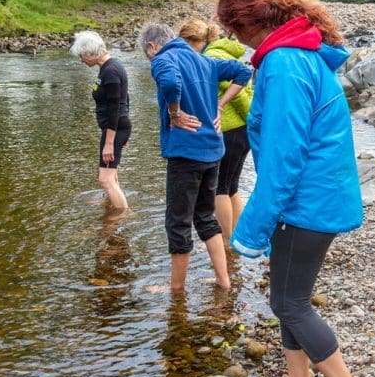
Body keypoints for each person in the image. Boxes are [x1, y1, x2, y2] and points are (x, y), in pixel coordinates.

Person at [217, 0, 375, 377]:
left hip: (306, 202)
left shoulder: (284, 63)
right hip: (315, 196)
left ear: (240, 24)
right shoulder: (297, 53)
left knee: (290, 303)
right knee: (287, 298)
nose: (230, 36)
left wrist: (251, 229)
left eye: (229, 28)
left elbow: (284, 159)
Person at [137, 22, 252, 293]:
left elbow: (169, 82)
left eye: (147, 55)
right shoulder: (204, 60)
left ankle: (176, 289)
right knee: (205, 217)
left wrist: (174, 113)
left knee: (178, 221)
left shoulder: (163, 58)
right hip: (212, 150)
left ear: (152, 46)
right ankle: (223, 280)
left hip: (185, 152)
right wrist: (219, 105)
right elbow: (243, 72)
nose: (150, 60)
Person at [178, 18, 252, 238]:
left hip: (230, 129)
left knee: (220, 188)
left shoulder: (211, 56)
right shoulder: (225, 53)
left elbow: (237, 92)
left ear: (195, 41)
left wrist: (222, 105)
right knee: (232, 187)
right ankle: (237, 236)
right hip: (241, 130)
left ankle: (226, 240)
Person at [70, 30, 130, 210]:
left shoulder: (111, 71)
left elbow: (115, 107)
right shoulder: (109, 68)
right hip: (117, 128)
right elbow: (125, 99)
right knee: (111, 176)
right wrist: (122, 134)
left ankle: (123, 214)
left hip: (115, 128)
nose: (81, 60)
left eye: (82, 56)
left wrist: (110, 143)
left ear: (90, 53)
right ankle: (111, 205)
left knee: (105, 179)